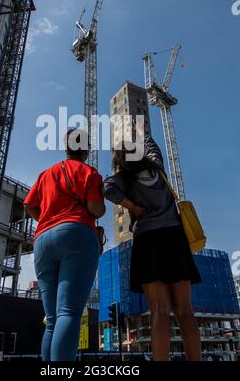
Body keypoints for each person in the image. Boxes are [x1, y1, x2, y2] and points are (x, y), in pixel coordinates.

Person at [103, 135, 202, 361]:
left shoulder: (123, 178)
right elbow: (152, 146)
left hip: (148, 241)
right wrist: (142, 135)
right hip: (174, 237)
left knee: (159, 311)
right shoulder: (157, 166)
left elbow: (107, 189)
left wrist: (134, 208)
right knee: (185, 311)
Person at [24, 129, 105, 361]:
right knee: (68, 312)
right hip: (76, 234)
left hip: (42, 240)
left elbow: (29, 206)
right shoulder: (89, 172)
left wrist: (49, 219)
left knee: (52, 319)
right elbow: (95, 209)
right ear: (86, 151)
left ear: (66, 148)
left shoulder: (45, 174)